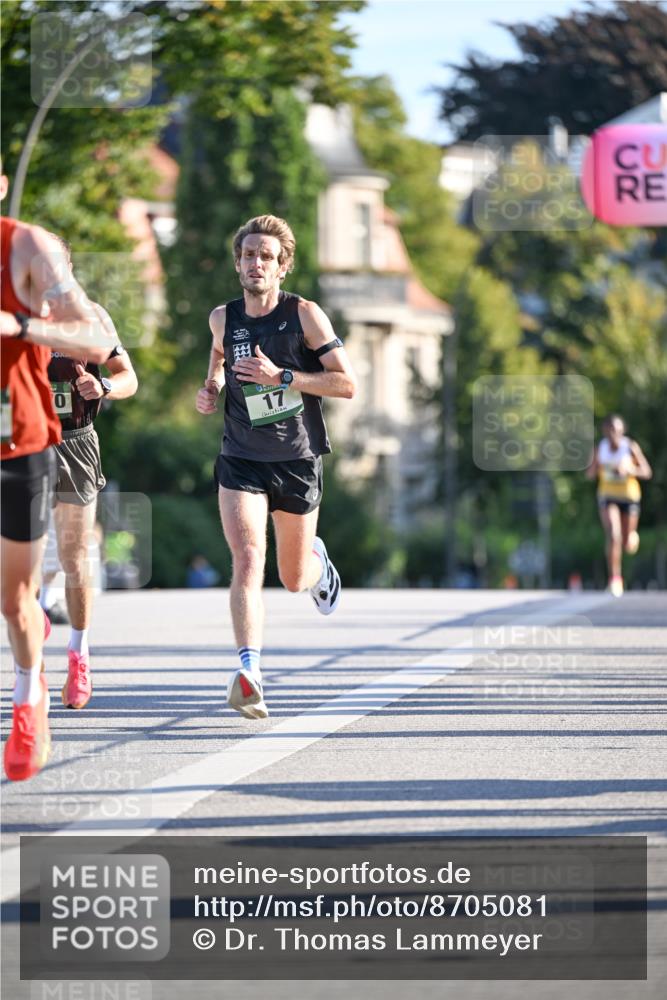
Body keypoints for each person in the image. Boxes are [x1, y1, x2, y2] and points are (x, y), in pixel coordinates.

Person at [196, 215, 356, 719]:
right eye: (249, 255)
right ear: (237, 263)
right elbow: (218, 359)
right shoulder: (222, 319)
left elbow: (346, 383)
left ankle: (317, 565)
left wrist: (282, 376)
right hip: (241, 457)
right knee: (247, 557)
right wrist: (212, 387)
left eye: (266, 256)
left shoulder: (305, 315)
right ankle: (249, 672)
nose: (256, 264)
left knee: (291, 577)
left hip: (296, 459)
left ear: (283, 266)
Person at [1, 168, 120, 781]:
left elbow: (98, 342)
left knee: (27, 591)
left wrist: (22, 327)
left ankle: (35, 692)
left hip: (32, 440)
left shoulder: (24, 246)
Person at [39, 237, 138, 710]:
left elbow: (128, 376)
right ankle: (31, 647)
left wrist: (104, 386)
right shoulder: (13, 314)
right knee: (20, 556)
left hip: (75, 442)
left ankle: (78, 654)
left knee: (74, 556)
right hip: (21, 441)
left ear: (69, 267)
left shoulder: (91, 315)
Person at [586, 414, 652, 596]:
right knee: (613, 535)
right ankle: (615, 579)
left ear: (622, 431)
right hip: (608, 496)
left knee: (627, 543)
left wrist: (630, 470)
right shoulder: (600, 449)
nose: (612, 434)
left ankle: (631, 536)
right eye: (609, 430)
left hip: (629, 497)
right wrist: (594, 467)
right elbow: (590, 474)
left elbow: (647, 472)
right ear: (604, 431)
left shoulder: (630, 447)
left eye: (615, 430)